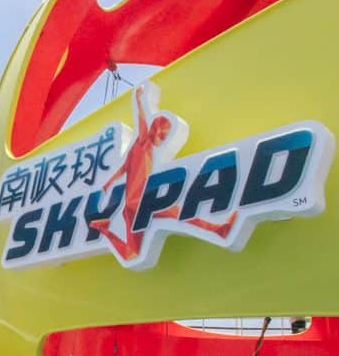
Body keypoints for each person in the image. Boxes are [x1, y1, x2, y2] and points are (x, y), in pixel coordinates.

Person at [89, 84, 238, 262]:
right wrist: (139, 100)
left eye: (165, 133)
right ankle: (218, 229)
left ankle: (104, 229)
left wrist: (108, 183)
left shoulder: (142, 149)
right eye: (162, 131)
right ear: (153, 129)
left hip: (136, 205)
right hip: (141, 202)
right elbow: (141, 120)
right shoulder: (143, 142)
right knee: (180, 214)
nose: (163, 136)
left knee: (133, 253)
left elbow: (124, 168)